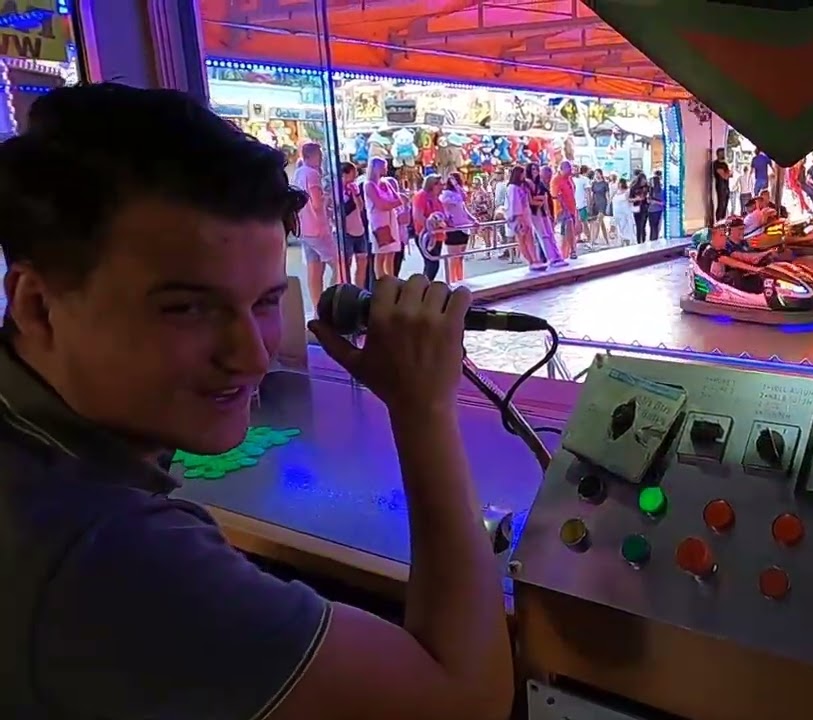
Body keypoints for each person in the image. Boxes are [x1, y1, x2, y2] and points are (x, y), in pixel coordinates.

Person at [0, 83, 512, 719]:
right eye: (186, 308)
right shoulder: (109, 553)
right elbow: (466, 702)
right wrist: (423, 409)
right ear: (37, 306)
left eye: (267, 301)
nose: (251, 356)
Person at [294, 142, 340, 308]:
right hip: (318, 228)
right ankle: (331, 302)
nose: (321, 159)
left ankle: (317, 308)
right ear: (313, 156)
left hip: (304, 227)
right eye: (320, 155)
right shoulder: (313, 174)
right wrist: (326, 198)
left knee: (314, 269)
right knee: (339, 265)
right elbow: (317, 204)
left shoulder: (298, 173)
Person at [440, 172, 477, 282]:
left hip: (464, 227)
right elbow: (444, 207)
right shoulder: (446, 194)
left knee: (460, 257)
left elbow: (464, 206)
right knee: (454, 258)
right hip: (454, 228)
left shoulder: (459, 193)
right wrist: (447, 220)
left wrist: (473, 219)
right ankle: (453, 281)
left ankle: (461, 279)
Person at [338, 161, 368, 288]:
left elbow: (360, 207)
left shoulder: (355, 188)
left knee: (362, 261)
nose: (355, 176)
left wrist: (355, 194)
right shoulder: (337, 190)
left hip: (358, 229)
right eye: (352, 173)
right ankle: (346, 288)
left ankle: (359, 289)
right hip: (346, 231)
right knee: (347, 263)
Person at [505, 165, 541, 269]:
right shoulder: (512, 188)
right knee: (522, 239)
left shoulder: (522, 186)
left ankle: (535, 259)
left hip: (526, 215)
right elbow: (514, 204)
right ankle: (530, 261)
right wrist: (519, 219)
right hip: (518, 217)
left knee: (529, 238)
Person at [551, 160, 580, 260]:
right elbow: (557, 196)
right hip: (562, 211)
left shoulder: (569, 178)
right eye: (569, 169)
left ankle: (569, 252)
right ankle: (567, 253)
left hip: (572, 209)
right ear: (562, 169)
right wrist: (565, 209)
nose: (571, 171)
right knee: (565, 231)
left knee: (571, 231)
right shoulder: (556, 180)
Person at [612, 178, 638, 244]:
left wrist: (636, 199)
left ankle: (628, 240)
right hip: (617, 212)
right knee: (620, 227)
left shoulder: (627, 191)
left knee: (626, 227)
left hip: (625, 212)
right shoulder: (616, 191)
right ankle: (622, 240)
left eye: (620, 183)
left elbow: (629, 199)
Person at [629, 171, 650, 243]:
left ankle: (643, 240)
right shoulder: (634, 188)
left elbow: (649, 195)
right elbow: (629, 199)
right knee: (638, 225)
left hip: (645, 207)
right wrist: (636, 199)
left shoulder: (647, 187)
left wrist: (648, 198)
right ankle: (639, 241)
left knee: (643, 225)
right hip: (637, 207)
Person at [712, 147, 731, 221]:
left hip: (726, 186)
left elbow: (730, 174)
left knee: (725, 204)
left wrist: (727, 173)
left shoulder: (724, 164)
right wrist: (727, 173)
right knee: (721, 204)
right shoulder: (716, 164)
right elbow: (725, 176)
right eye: (721, 153)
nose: (723, 154)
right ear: (718, 154)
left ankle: (723, 220)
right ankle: (718, 220)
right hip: (720, 186)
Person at [647, 170, 665, 241]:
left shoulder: (659, 191)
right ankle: (653, 239)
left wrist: (654, 202)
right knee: (654, 227)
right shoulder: (651, 191)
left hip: (655, 210)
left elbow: (663, 203)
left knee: (654, 227)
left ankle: (653, 239)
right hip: (653, 210)